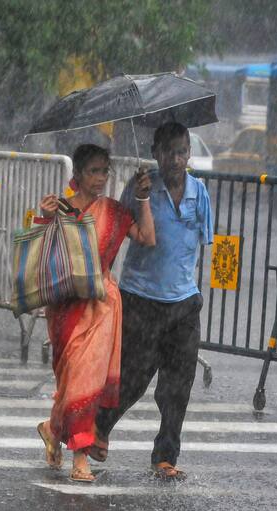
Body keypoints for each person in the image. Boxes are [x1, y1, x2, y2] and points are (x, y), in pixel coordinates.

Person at [92, 122, 213, 480]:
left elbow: (202, 240)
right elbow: (121, 233)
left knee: (178, 386)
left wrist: (192, 290)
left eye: (182, 151)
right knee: (133, 377)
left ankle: (165, 455)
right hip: (141, 297)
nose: (176, 159)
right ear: (156, 153)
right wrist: (141, 197)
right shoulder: (141, 187)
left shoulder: (199, 192)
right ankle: (99, 429)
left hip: (184, 302)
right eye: (169, 151)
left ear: (188, 154)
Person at [35, 144, 155, 482]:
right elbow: (42, 258)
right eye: (93, 171)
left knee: (85, 381)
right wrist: (44, 217)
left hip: (101, 305)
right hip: (65, 308)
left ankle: (80, 457)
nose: (100, 178)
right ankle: (51, 427)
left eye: (105, 171)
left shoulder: (115, 212)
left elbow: (147, 237)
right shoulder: (61, 208)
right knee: (71, 380)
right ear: (77, 175)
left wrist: (142, 199)